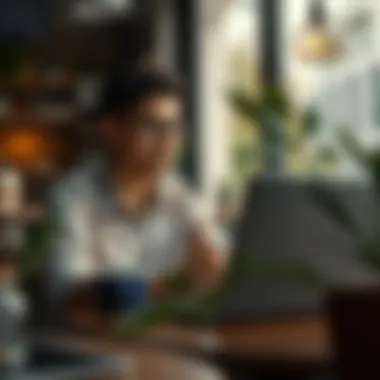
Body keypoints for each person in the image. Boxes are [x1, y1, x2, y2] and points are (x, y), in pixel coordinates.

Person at [44, 68, 226, 315]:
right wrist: (170, 286)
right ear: (112, 130)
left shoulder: (182, 196)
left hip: (167, 340)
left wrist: (217, 270)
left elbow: (216, 270)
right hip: (95, 346)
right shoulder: (72, 197)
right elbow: (68, 293)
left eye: (173, 126)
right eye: (152, 126)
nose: (167, 140)